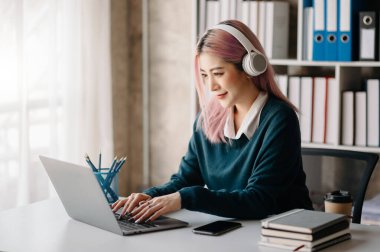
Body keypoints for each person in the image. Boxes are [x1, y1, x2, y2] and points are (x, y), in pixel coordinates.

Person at [112, 20, 313, 223]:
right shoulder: (207, 119)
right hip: (237, 232)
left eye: (218, 73)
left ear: (249, 67)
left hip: (286, 235)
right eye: (204, 76)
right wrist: (150, 196)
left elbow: (259, 200)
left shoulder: (279, 119)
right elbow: (185, 180)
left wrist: (187, 197)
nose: (211, 86)